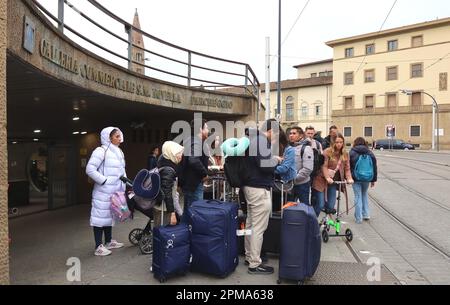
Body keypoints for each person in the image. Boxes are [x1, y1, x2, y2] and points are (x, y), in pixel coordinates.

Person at [242, 119, 279, 275]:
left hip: (250, 186)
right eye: (275, 134)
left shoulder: (253, 140)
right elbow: (266, 166)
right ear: (270, 131)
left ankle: (250, 256)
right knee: (258, 227)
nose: (275, 137)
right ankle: (255, 264)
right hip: (258, 188)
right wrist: (275, 160)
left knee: (251, 223)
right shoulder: (261, 141)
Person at [86, 127, 126, 256]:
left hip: (115, 190)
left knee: (110, 215)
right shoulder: (100, 150)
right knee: (99, 217)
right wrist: (103, 181)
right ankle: (98, 246)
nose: (120, 139)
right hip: (103, 191)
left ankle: (108, 241)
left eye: (120, 136)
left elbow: (121, 170)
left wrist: (124, 185)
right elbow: (90, 169)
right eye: (116, 136)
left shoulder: (119, 151)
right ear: (108, 137)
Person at [312, 133, 354, 217]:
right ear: (333, 143)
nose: (339, 144)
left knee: (331, 206)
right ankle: (313, 220)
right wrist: (327, 177)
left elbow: (347, 168)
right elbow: (324, 166)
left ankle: (325, 221)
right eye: (337, 142)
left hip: (333, 182)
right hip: (321, 181)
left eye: (341, 142)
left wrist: (349, 178)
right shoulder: (327, 152)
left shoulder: (345, 154)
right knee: (320, 204)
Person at [179, 119, 209, 221]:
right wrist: (204, 173)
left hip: (189, 184)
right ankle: (192, 235)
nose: (208, 130)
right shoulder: (196, 142)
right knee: (195, 214)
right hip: (194, 184)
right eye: (206, 128)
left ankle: (184, 234)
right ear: (201, 129)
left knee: (188, 213)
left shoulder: (191, 141)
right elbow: (193, 160)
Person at [153, 141, 185, 226]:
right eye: (178, 153)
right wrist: (172, 213)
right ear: (172, 154)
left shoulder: (166, 163)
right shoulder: (168, 169)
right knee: (162, 233)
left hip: (163, 207)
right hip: (163, 209)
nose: (180, 156)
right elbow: (167, 192)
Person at [349, 137, 378, 224]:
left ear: (355, 143)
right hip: (367, 178)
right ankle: (366, 214)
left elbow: (348, 166)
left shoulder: (352, 152)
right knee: (364, 194)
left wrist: (348, 178)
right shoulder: (370, 152)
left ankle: (359, 218)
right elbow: (374, 167)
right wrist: (373, 180)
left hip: (356, 178)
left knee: (357, 196)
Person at [288, 127, 313, 205]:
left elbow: (308, 168)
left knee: (304, 207)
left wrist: (294, 178)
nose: (291, 135)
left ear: (301, 136)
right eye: (290, 133)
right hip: (289, 184)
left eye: (294, 133)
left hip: (302, 184)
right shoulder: (288, 148)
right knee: (289, 207)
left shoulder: (306, 148)